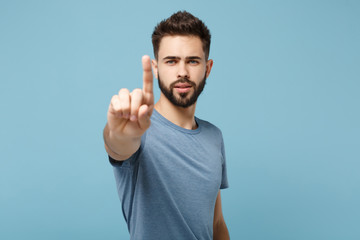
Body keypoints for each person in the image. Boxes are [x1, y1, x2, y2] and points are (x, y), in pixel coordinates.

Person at [103, 11, 230, 240]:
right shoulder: (138, 129)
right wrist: (118, 134)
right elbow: (117, 145)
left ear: (208, 68)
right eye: (171, 61)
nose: (182, 72)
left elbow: (217, 223)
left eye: (192, 61)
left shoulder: (215, 137)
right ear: (156, 67)